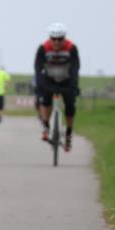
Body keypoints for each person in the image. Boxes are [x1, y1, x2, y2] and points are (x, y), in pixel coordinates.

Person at [35, 23, 81, 152]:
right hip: (49, 79)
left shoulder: (71, 48)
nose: (56, 42)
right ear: (49, 38)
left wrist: (74, 85)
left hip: (66, 79)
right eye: (53, 39)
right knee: (45, 100)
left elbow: (75, 68)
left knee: (70, 106)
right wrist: (40, 84)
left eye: (60, 39)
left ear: (64, 38)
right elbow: (38, 68)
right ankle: (46, 126)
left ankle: (69, 133)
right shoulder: (43, 48)